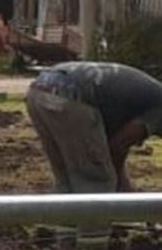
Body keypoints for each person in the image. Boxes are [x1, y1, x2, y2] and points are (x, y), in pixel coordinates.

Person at [25, 61, 162, 194]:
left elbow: (119, 145)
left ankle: (65, 215)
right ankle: (95, 215)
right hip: (73, 97)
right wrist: (119, 184)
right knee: (96, 182)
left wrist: (121, 185)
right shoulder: (158, 108)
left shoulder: (146, 98)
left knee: (66, 181)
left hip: (40, 88)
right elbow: (119, 145)